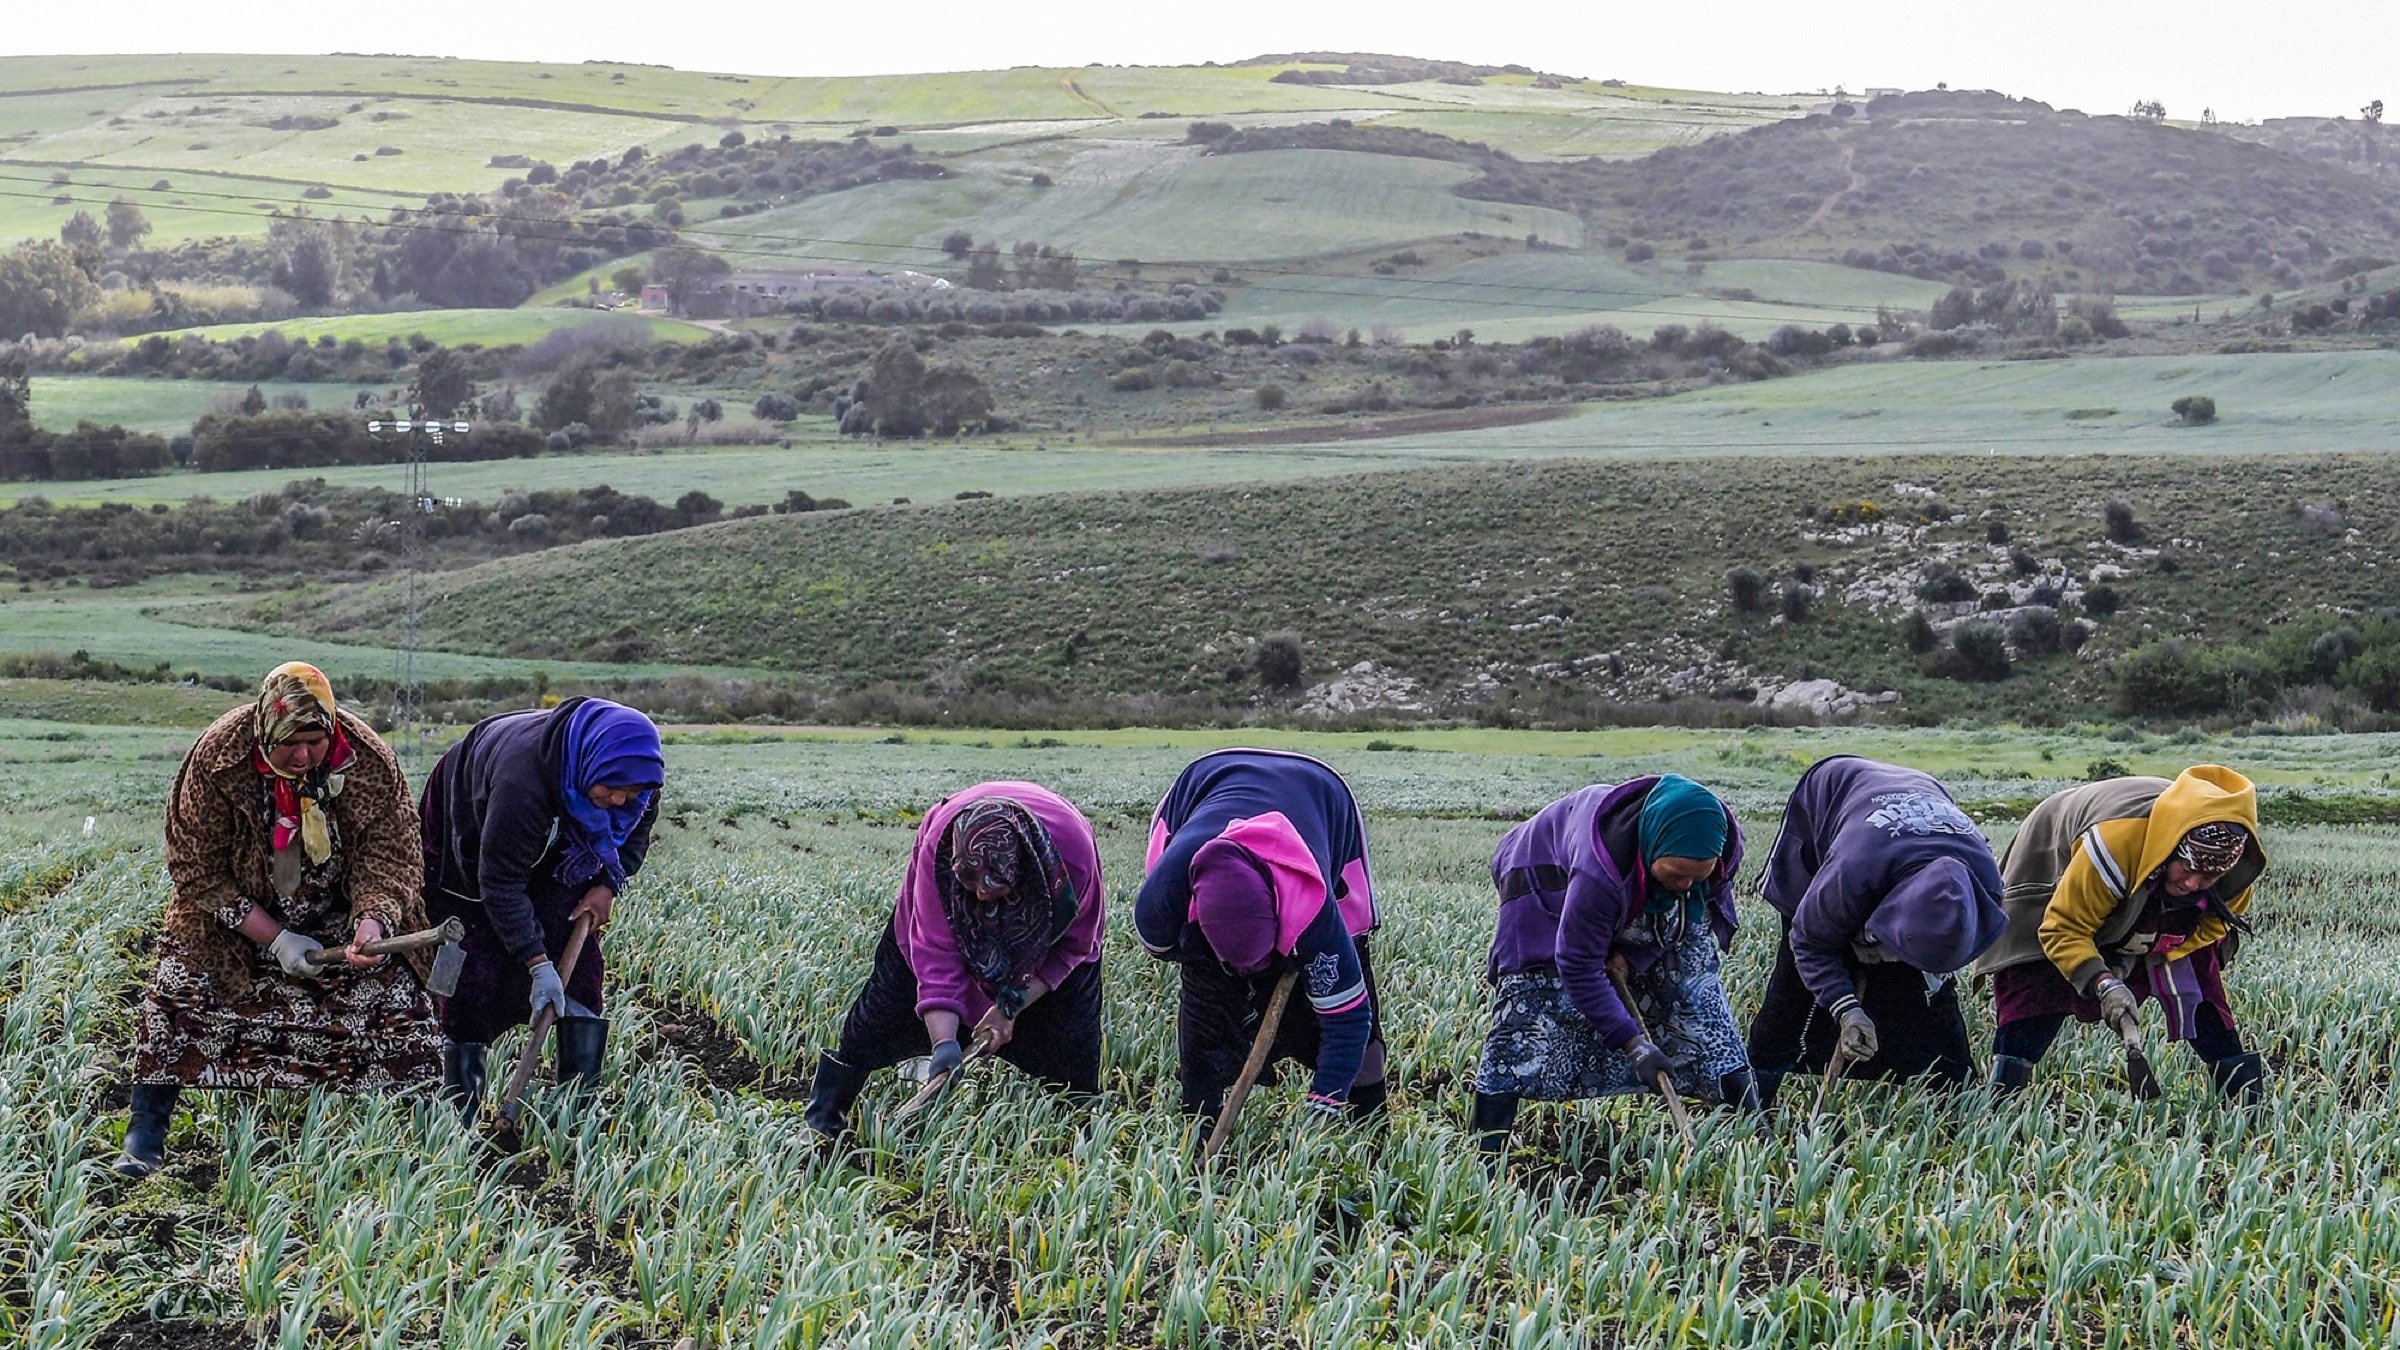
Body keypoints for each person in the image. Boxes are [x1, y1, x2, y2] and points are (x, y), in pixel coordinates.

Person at [116, 663, 440, 1178]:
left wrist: (373, 922)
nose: (305, 754)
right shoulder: (219, 758)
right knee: (178, 987)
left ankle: (425, 1135)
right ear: (266, 728)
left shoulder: (369, 762)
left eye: (315, 741)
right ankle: (146, 1131)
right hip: (235, 921)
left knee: (399, 998)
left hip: (337, 914)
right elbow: (195, 867)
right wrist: (275, 937)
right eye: (292, 741)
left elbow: (392, 855)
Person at [1471, 776, 1754, 1165]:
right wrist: (1633, 1044)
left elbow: (1683, 922)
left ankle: (1756, 1125)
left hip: (1628, 879)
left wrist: (1633, 956)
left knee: (1695, 990)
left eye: (1697, 876)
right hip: (1542, 878)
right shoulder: (1598, 870)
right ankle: (1488, 1151)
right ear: (1654, 847)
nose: (1686, 884)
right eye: (1675, 874)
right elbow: (1577, 963)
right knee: (1530, 1008)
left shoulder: (1718, 847)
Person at [805, 782, 1106, 1137]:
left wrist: (1009, 1007)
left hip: (1048, 936)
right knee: (880, 1011)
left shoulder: (1071, 865)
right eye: (971, 885)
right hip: (940, 899)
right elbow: (935, 952)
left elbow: (1072, 947)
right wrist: (944, 1042)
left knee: (1071, 1041)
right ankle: (823, 1121)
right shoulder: (941, 852)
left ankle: (1082, 1137)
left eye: (994, 888)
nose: (980, 895)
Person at [419, 697, 662, 1119]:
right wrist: (537, 964)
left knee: (576, 950)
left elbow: (635, 833)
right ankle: (461, 1109)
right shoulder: (522, 783)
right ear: (591, 764)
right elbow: (498, 883)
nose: (622, 800)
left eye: (633, 792)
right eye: (613, 788)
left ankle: (575, 1111)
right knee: (472, 960)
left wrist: (608, 883)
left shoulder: (635, 775)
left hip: (559, 841)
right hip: (469, 831)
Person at [1973, 766, 2267, 1102]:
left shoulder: (2233, 875)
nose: (2192, 884)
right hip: (2059, 848)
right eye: (2187, 870)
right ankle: (2004, 1094)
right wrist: (2103, 980)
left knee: (2198, 980)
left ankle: (2245, 1103)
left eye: (2207, 879)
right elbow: (2062, 928)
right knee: (2037, 984)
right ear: (2172, 850)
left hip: (2143, 871)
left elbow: (2209, 931)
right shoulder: (2114, 844)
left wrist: (2148, 951)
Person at [1136, 748, 1388, 1130]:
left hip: (1321, 793)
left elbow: (1348, 1019)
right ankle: (1198, 1126)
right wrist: (1221, 960)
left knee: (1353, 1016)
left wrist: (1324, 1105)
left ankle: (1372, 1127)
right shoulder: (1162, 901)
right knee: (1206, 1007)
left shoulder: (1313, 908)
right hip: (1204, 782)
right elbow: (1162, 947)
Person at [1745, 755, 2007, 1102]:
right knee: (1794, 990)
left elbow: (1936, 974)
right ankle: (1756, 1092)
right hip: (1830, 794)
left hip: (1919, 791)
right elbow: (1809, 943)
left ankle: (1953, 1092)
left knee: (1924, 1002)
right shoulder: (1852, 869)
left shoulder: (1985, 889)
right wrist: (1847, 1009)